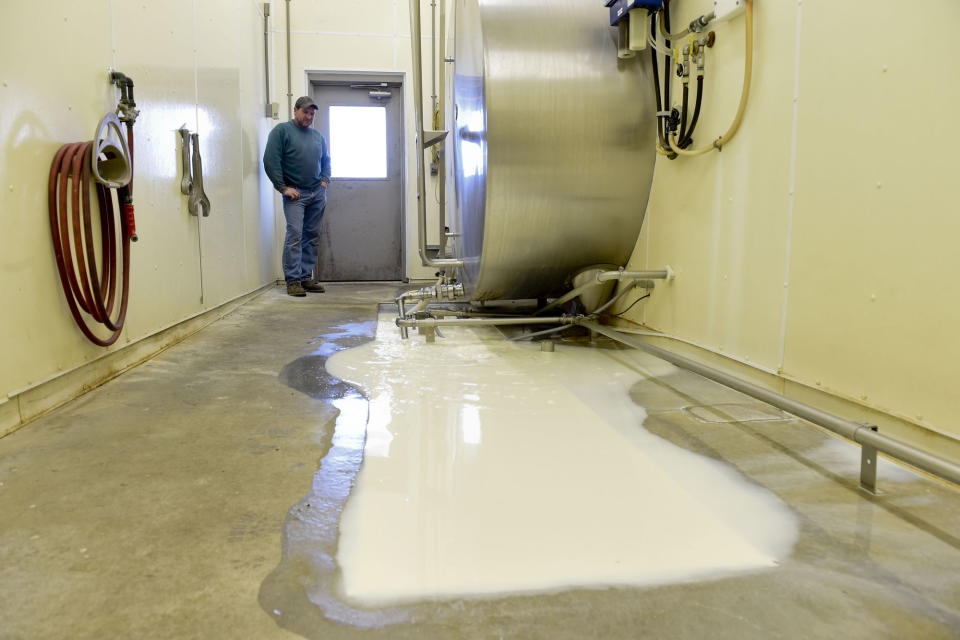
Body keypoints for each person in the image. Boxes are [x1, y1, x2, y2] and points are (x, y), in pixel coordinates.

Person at [263, 96, 332, 297]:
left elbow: (326, 159)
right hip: (296, 194)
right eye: (305, 112)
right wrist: (282, 187)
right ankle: (293, 281)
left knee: (312, 236)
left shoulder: (318, 136)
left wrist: (325, 179)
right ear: (295, 110)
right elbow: (270, 160)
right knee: (295, 234)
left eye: (312, 114)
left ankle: (305, 277)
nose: (309, 117)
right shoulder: (281, 131)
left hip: (317, 192)